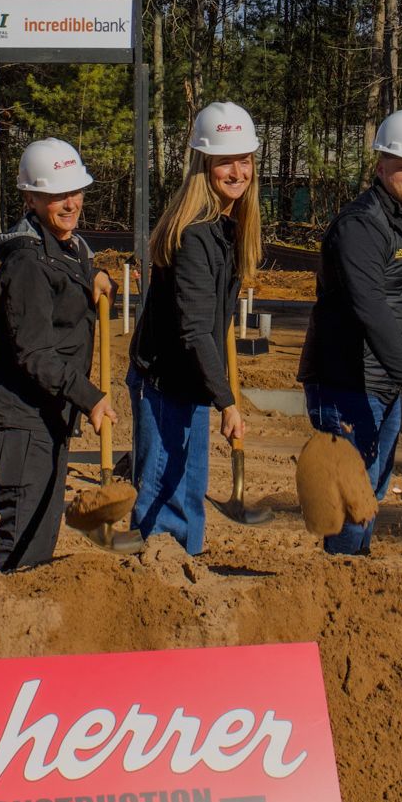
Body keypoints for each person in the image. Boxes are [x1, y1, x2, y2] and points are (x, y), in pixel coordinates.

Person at [0, 139, 131, 572]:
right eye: (56, 195)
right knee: (25, 525)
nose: (70, 203)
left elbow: (70, 282)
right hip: (21, 411)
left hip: (48, 408)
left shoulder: (67, 248)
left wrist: (98, 278)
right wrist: (89, 396)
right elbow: (35, 354)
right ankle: (9, 612)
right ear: (31, 197)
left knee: (43, 520)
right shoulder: (25, 264)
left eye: (75, 191)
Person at [297, 110, 402, 555]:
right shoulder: (359, 226)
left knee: (371, 490)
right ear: (381, 166)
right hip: (345, 382)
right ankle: (338, 584)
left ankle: (351, 576)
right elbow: (370, 308)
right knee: (349, 495)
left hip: (383, 381)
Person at [126, 102, 262, 554]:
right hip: (165, 380)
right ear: (204, 165)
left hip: (191, 381)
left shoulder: (226, 227)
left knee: (189, 492)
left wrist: (215, 390)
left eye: (244, 160)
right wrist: (227, 401)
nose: (237, 171)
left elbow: (210, 325)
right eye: (226, 161)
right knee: (165, 493)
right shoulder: (194, 235)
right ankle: (157, 590)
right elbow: (196, 330)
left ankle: (187, 572)